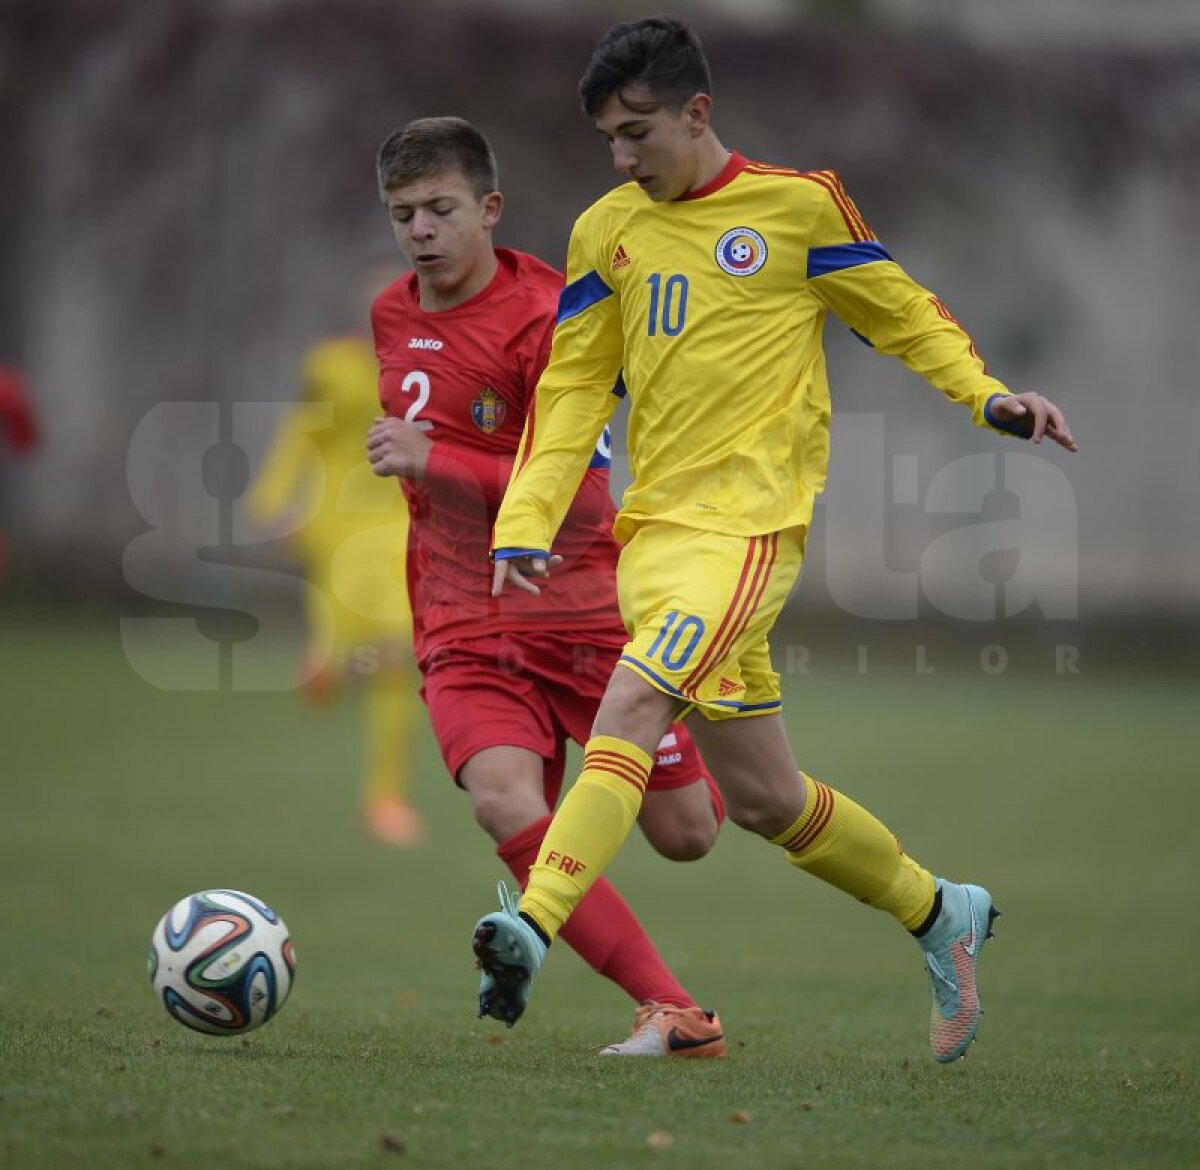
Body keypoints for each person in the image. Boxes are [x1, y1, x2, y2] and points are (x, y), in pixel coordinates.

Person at [475, 16, 1079, 1064]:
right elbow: (572, 387)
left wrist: (986, 396)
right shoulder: (604, 231)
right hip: (655, 541)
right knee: (763, 798)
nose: (621, 158)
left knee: (631, 703)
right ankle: (940, 910)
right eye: (608, 139)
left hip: (750, 532)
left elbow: (902, 313)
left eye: (637, 132)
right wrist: (525, 518)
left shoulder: (799, 208)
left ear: (697, 113)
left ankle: (532, 924)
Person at [366, 116, 727, 1058]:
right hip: (460, 619)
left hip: (581, 613)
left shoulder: (553, 317)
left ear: (489, 208)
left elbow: (583, 496)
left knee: (689, 833)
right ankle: (671, 1008)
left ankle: (709, 732)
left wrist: (435, 460)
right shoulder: (390, 314)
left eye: (440, 209)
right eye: (402, 215)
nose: (421, 231)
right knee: (502, 799)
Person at [248, 277, 426, 847]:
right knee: (353, 650)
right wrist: (273, 499)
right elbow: (301, 434)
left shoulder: (429, 366)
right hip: (336, 527)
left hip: (399, 527)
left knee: (399, 655)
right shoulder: (330, 367)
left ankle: (385, 801)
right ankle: (327, 666)